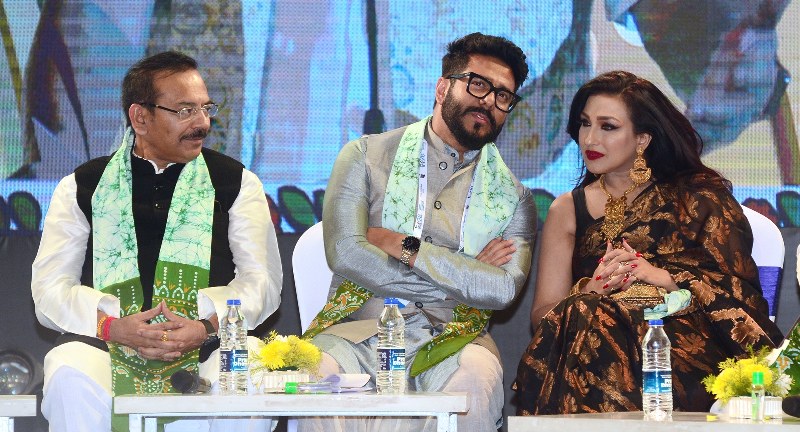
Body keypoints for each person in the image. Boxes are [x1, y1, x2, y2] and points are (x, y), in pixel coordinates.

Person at [31, 51, 282, 432]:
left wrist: (206, 326)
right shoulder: (83, 186)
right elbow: (50, 288)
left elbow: (262, 281)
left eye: (206, 108)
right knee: (69, 370)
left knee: (248, 366)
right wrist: (112, 327)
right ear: (140, 118)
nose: (202, 123)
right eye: (185, 111)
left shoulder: (235, 182)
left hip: (208, 347)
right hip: (107, 347)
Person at [297, 33, 536, 432]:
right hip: (357, 333)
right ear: (443, 88)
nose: (489, 102)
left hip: (455, 339)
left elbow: (501, 290)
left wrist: (404, 246)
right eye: (478, 85)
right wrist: (463, 279)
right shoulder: (364, 156)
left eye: (503, 96)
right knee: (315, 376)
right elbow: (346, 252)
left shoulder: (514, 198)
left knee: (475, 382)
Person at [514, 70, 784, 415]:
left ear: (642, 139)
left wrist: (663, 277)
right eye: (584, 124)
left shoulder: (699, 199)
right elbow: (542, 318)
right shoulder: (567, 209)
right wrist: (591, 289)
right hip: (591, 346)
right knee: (588, 313)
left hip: (682, 353)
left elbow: (740, 294)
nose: (590, 139)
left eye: (608, 126)